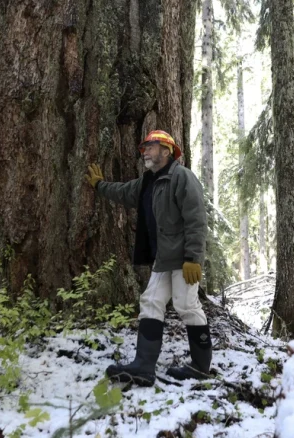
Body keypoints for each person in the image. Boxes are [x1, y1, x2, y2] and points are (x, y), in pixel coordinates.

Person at [84, 130, 212, 386]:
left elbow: (196, 219)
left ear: (166, 150)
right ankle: (143, 366)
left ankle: (200, 367)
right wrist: (99, 185)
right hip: (162, 259)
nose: (145, 152)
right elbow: (123, 192)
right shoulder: (147, 182)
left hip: (183, 260)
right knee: (151, 302)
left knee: (186, 306)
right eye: (144, 148)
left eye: (150, 147)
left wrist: (193, 258)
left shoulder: (182, 177)